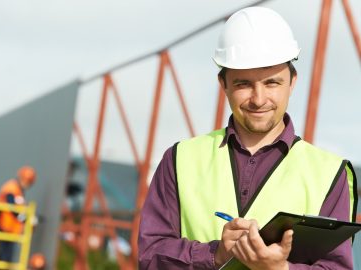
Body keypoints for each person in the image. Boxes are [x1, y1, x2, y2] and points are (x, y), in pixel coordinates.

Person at [138, 6, 358, 270]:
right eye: (243, 84)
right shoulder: (179, 159)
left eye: (272, 83)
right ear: (224, 85)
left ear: (292, 82)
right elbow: (149, 256)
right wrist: (215, 254)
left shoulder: (329, 173)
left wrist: (278, 269)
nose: (258, 99)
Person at [0, 165, 36, 262]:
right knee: (4, 258)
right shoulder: (12, 187)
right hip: (5, 227)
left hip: (11, 230)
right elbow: (11, 206)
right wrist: (24, 219)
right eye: (26, 180)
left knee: (4, 258)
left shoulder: (18, 190)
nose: (27, 183)